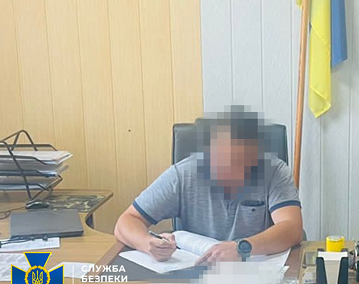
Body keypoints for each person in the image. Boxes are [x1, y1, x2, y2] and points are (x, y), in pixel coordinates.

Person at [114, 108, 303, 264]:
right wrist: (148, 243)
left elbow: (292, 227)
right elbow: (126, 221)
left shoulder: (274, 171)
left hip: (256, 270)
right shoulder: (184, 173)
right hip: (195, 273)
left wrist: (242, 247)